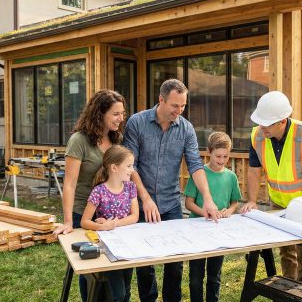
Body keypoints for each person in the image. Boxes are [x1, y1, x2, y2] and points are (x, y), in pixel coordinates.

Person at [122, 78, 220, 302]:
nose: (179, 110)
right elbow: (130, 165)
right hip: (140, 201)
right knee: (144, 261)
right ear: (161, 100)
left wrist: (207, 198)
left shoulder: (186, 129)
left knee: (175, 262)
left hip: (171, 203)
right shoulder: (136, 123)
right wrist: (145, 198)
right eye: (175, 105)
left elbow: (195, 164)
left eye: (183, 106)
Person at [240, 91, 302, 285]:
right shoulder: (257, 136)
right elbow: (254, 171)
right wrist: (252, 200)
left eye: (266, 123)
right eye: (260, 122)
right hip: (278, 201)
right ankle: (288, 287)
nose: (261, 128)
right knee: (286, 249)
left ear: (282, 121)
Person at [53, 89, 127, 301]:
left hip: (110, 215)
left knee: (114, 273)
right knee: (92, 274)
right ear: (99, 113)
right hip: (83, 214)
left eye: (122, 113)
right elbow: (69, 183)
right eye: (115, 114)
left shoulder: (116, 138)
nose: (120, 119)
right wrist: (68, 221)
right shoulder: (79, 140)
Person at [184, 132, 241, 302]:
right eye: (218, 156)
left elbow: (234, 203)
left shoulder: (231, 177)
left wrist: (229, 212)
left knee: (215, 275)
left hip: (219, 231)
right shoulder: (199, 174)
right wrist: (206, 213)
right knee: (195, 277)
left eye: (226, 156)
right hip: (197, 230)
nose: (222, 160)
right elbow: (188, 203)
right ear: (209, 152)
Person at [80, 145, 139, 302]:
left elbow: (135, 216)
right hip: (109, 247)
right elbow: (84, 221)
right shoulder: (98, 191)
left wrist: (113, 223)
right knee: (118, 294)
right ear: (114, 167)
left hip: (128, 245)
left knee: (126, 290)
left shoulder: (131, 187)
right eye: (128, 166)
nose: (132, 170)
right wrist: (101, 226)